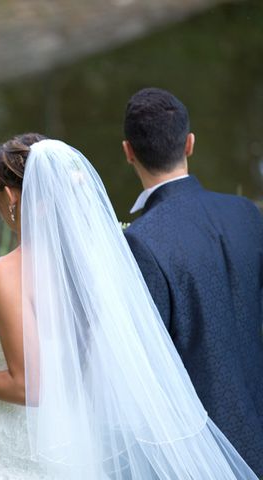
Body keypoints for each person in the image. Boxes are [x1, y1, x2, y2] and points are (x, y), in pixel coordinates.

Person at [0, 133, 258, 479]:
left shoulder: (6, 272)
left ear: (8, 195)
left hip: (23, 448)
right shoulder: (98, 264)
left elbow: (29, 387)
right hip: (83, 444)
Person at [122, 87, 263, 476]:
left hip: (201, 448)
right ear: (190, 143)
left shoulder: (140, 240)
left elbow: (149, 363)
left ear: (128, 151)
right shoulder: (245, 213)